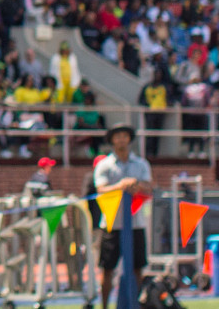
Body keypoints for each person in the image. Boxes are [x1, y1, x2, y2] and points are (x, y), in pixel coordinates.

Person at [94, 124, 152, 309]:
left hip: (136, 223)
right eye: (117, 136)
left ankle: (137, 304)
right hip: (111, 223)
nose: (121, 140)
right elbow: (100, 189)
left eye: (124, 136)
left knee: (137, 268)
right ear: (112, 140)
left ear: (129, 139)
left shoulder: (141, 164)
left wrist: (136, 185)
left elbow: (149, 186)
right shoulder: (104, 165)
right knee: (107, 269)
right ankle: (104, 306)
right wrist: (120, 186)